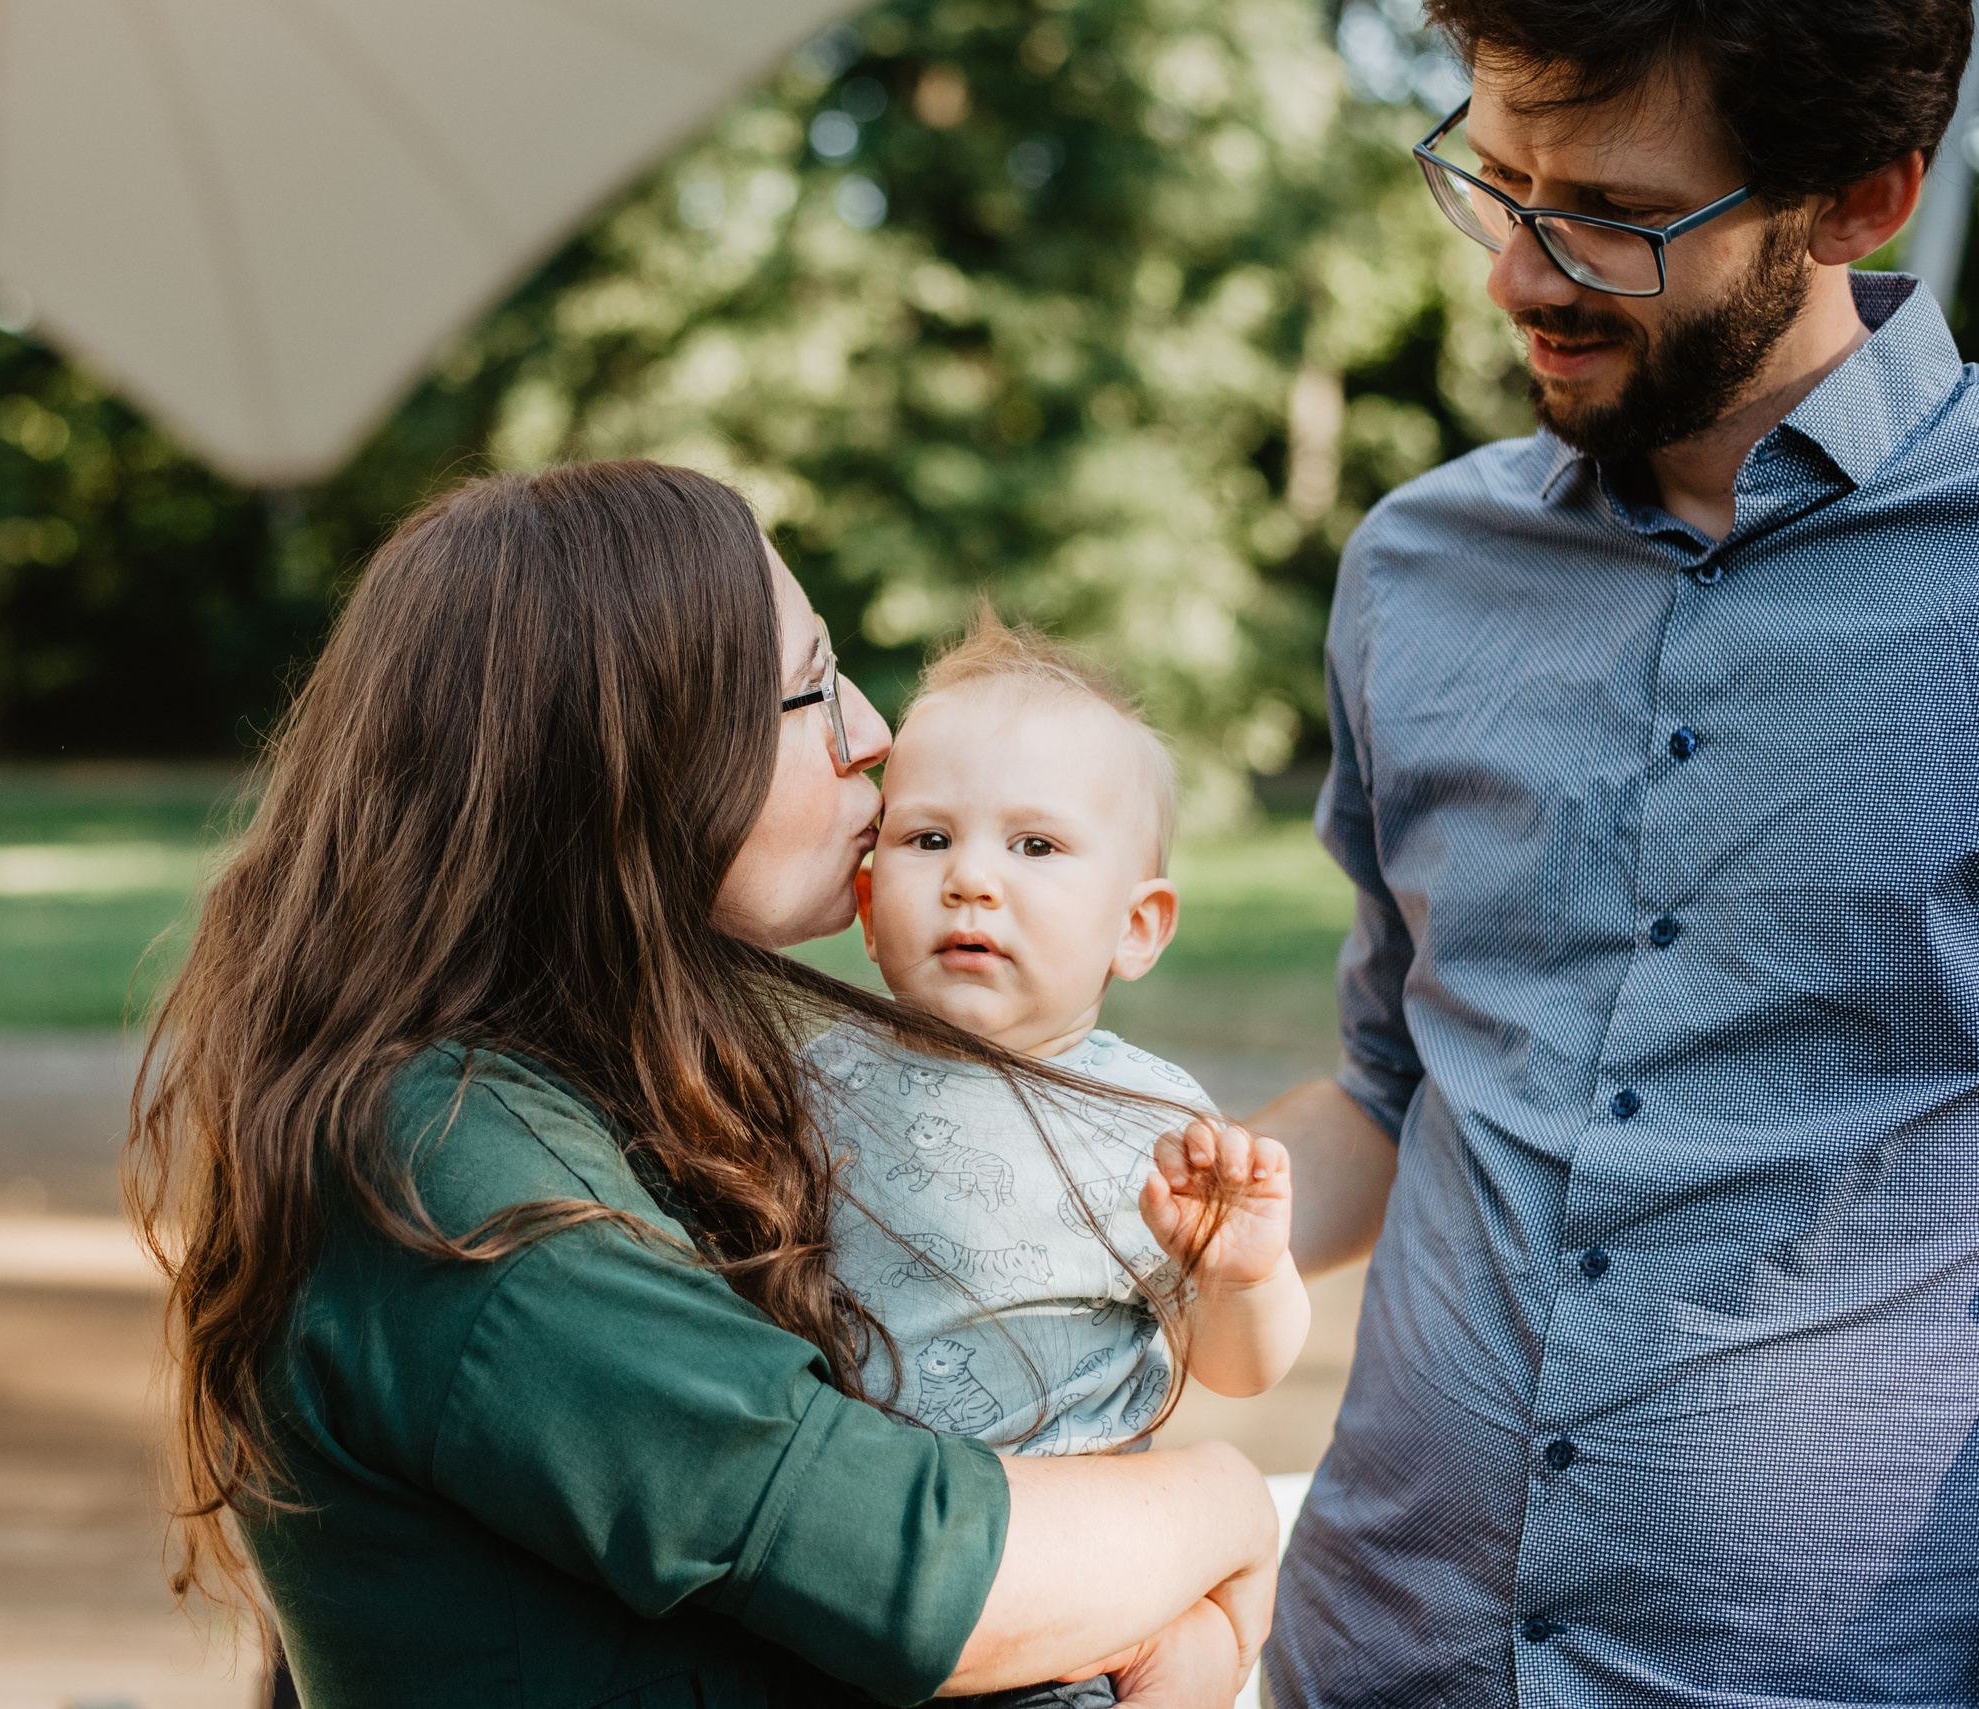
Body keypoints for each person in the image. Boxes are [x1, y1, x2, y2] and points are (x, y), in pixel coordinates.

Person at [127, 461, 1281, 1707]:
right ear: (632, 759)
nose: (875, 734)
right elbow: (921, 1576)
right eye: (810, 688)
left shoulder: (606, 1076)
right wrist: (1220, 1501)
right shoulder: (450, 1167)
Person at [1251, 2, 1979, 1703]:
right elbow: (1387, 1079)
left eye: (1609, 214)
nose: (1515, 274)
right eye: (1497, 183)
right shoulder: (1412, 567)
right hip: (1372, 1653)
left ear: (1863, 200)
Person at [809, 609, 1313, 1709]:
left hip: (1065, 1615)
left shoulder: (1149, 1121)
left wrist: (1237, 1275)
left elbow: (1238, 1366)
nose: (971, 879)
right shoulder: (804, 1081)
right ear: (864, 899)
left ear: (1136, 926)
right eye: (927, 837)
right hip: (845, 1575)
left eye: (1033, 846)